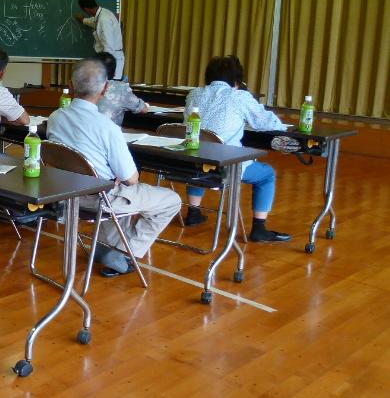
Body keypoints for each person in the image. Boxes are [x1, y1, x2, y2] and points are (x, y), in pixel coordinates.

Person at [47, 59, 181, 276]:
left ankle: (107, 248)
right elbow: (131, 179)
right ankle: (127, 253)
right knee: (170, 200)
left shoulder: (55, 118)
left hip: (66, 194)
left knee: (116, 188)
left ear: (70, 85)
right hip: (101, 199)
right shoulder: (107, 127)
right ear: (106, 88)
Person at [184, 55, 291, 242]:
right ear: (237, 81)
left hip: (193, 162)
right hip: (225, 166)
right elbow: (265, 122)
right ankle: (259, 228)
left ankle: (193, 212)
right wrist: (282, 125)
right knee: (267, 175)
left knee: (202, 155)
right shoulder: (239, 96)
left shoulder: (194, 94)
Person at [76, 0, 125, 78]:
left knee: (109, 89)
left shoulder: (104, 19)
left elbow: (108, 46)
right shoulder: (102, 14)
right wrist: (83, 20)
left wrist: (105, 66)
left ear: (86, 9)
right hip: (110, 58)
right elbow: (94, 22)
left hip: (111, 59)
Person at [95, 51, 148, 126]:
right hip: (108, 135)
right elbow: (144, 109)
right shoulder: (120, 88)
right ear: (114, 73)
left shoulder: (82, 84)